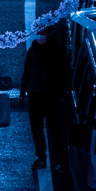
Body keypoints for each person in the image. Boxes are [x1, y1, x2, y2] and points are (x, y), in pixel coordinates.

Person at [20, 29, 70, 172]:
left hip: (50, 94)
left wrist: (61, 91)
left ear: (48, 37)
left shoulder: (57, 51)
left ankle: (59, 158)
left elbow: (63, 72)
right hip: (35, 93)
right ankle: (41, 156)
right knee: (36, 128)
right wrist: (23, 91)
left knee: (54, 129)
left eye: (42, 36)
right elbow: (27, 70)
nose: (39, 38)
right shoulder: (33, 50)